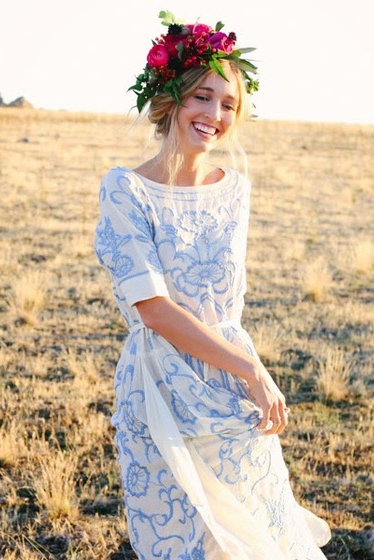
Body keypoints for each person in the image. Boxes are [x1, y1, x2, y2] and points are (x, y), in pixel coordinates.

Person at [94, 11, 331, 559]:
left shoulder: (234, 190)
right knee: (182, 543)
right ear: (170, 98)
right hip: (157, 380)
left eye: (228, 104)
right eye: (202, 96)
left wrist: (245, 372)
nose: (214, 114)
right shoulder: (125, 190)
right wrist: (251, 369)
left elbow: (223, 302)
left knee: (253, 536)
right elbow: (152, 308)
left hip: (227, 383)